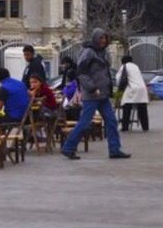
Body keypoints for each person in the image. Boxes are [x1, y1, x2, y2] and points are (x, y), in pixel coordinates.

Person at [60, 28, 131, 160]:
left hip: (102, 95)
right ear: (95, 39)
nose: (103, 41)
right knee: (84, 123)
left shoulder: (102, 53)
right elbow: (81, 73)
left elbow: (105, 74)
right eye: (101, 38)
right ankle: (68, 147)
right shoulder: (88, 52)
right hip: (92, 95)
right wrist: (92, 88)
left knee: (111, 121)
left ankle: (114, 149)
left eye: (105, 38)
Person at [0, 67, 29, 139]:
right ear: (9, 74)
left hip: (12, 117)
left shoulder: (3, 88)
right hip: (25, 116)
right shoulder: (21, 84)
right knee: (0, 116)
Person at [116, 55, 150, 131]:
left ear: (123, 61)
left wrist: (119, 89)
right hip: (142, 88)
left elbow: (119, 79)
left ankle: (125, 127)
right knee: (142, 108)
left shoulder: (124, 66)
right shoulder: (136, 66)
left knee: (126, 106)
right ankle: (145, 127)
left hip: (132, 88)